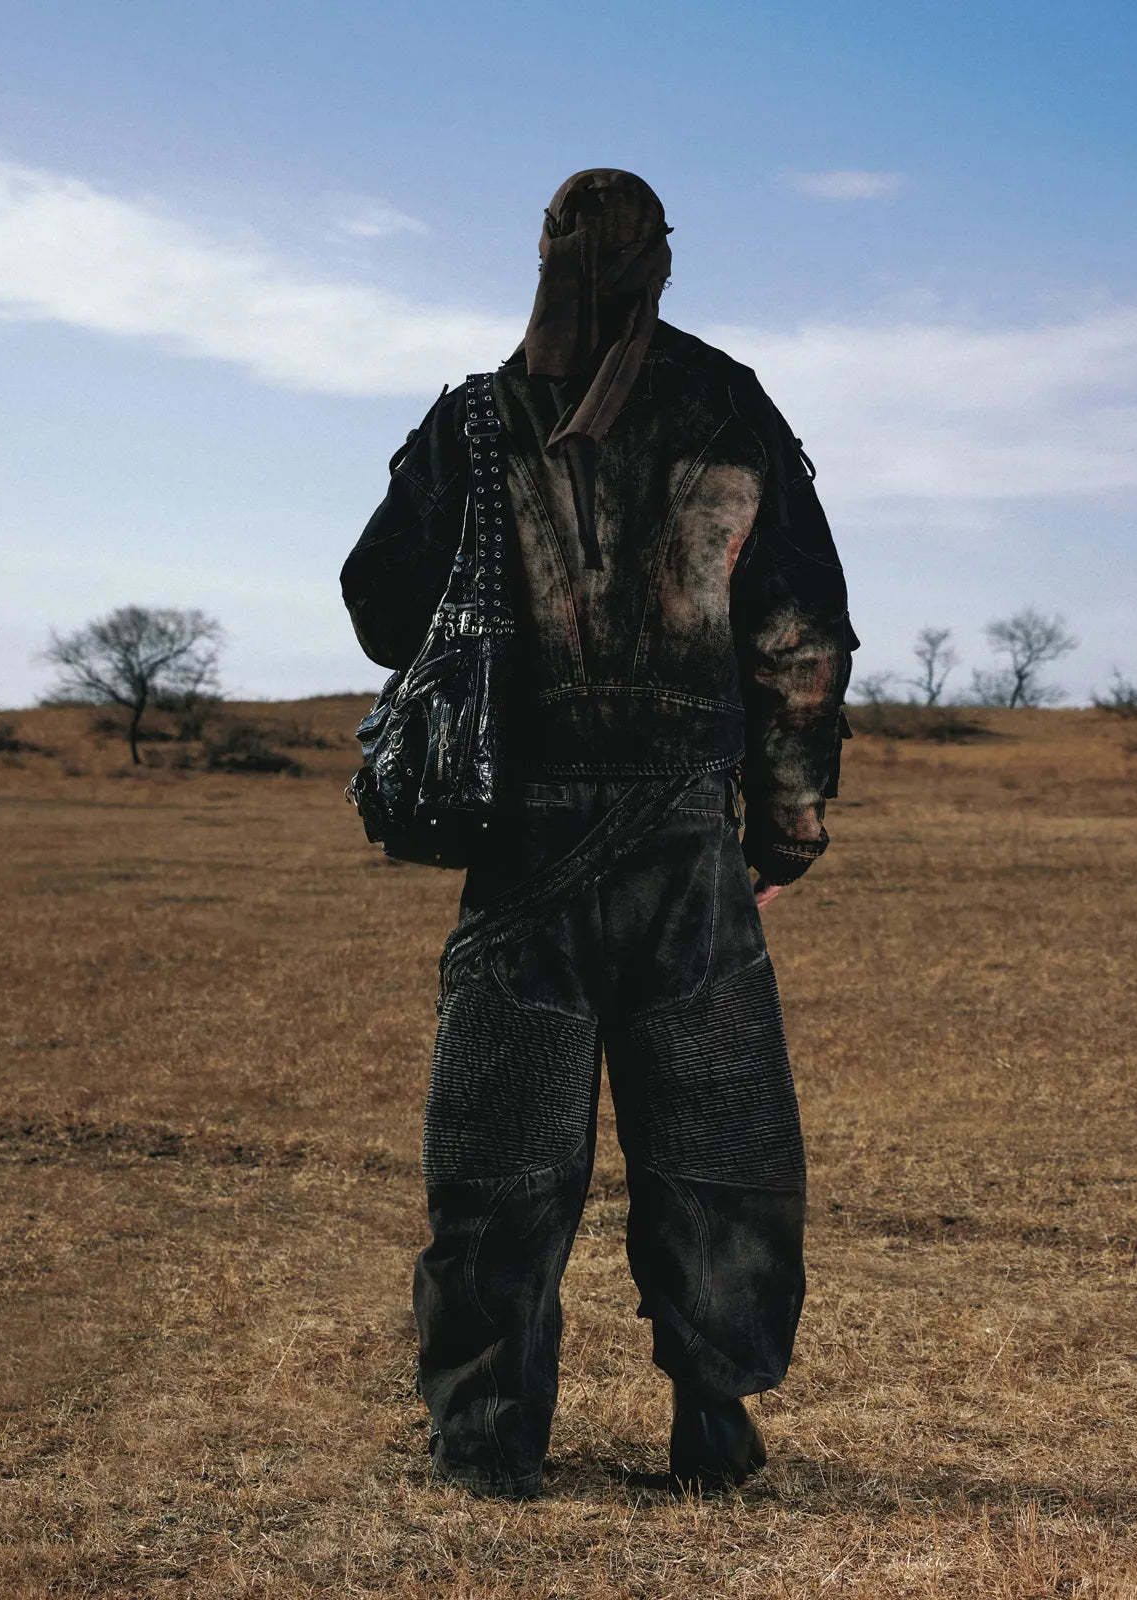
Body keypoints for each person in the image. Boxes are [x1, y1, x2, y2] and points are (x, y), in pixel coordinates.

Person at [340, 168, 858, 1501]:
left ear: (543, 256)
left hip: (524, 845)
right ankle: (715, 1422)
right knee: (720, 1148)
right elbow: (799, 638)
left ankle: (486, 1439)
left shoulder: (475, 420)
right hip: (688, 844)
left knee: (498, 1157)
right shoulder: (731, 408)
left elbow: (381, 609)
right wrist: (786, 827)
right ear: (662, 263)